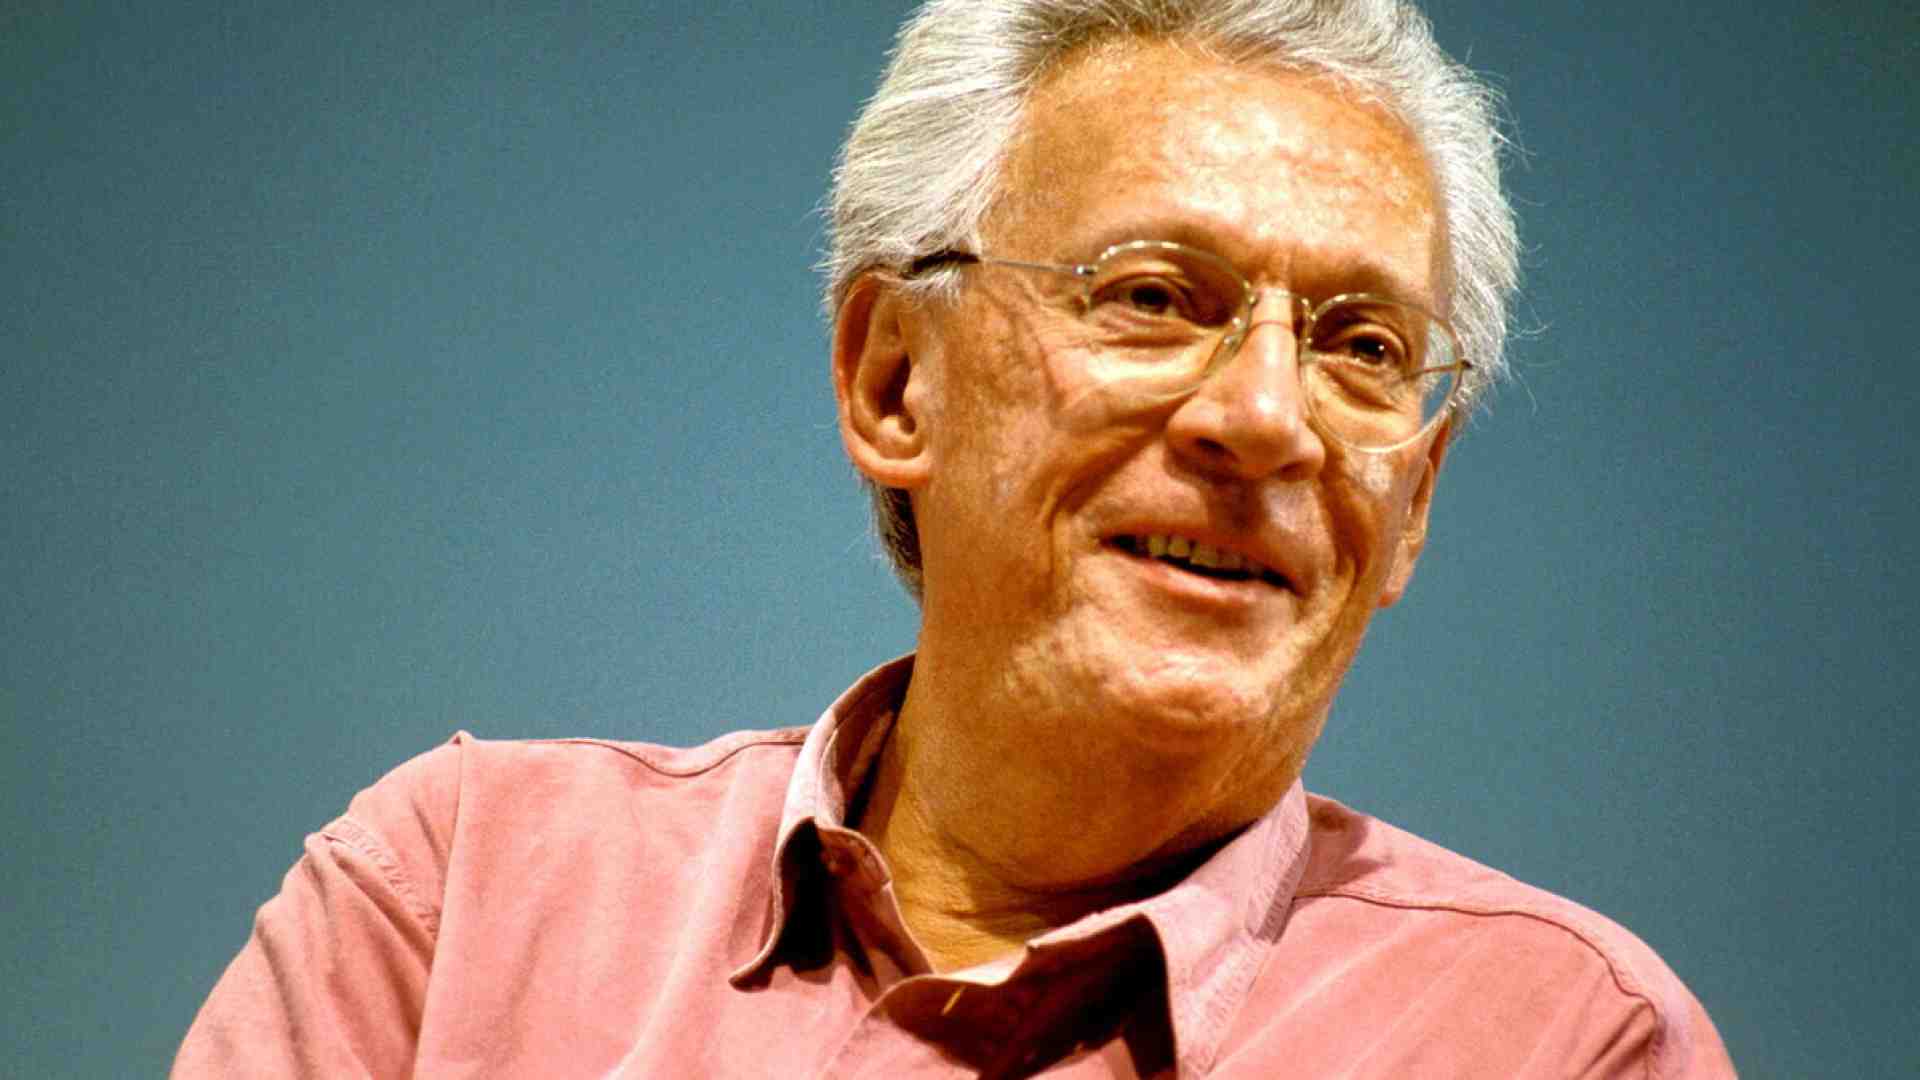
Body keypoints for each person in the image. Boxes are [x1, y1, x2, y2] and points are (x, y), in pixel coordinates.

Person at [175, 1, 1737, 1076]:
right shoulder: (459, 904)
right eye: (1153, 295)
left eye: (1364, 348)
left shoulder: (1566, 1041)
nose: (1267, 419)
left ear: (1415, 506)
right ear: (892, 379)